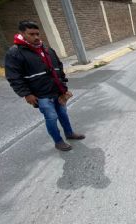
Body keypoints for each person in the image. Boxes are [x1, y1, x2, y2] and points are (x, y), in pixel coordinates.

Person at [5, 20, 84, 151]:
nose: (36, 37)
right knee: (51, 117)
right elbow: (14, 77)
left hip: (57, 92)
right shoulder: (15, 53)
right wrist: (26, 94)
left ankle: (69, 133)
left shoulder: (47, 49)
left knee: (63, 114)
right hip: (41, 95)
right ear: (22, 34)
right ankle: (58, 141)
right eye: (31, 34)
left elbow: (59, 68)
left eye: (37, 34)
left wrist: (63, 88)